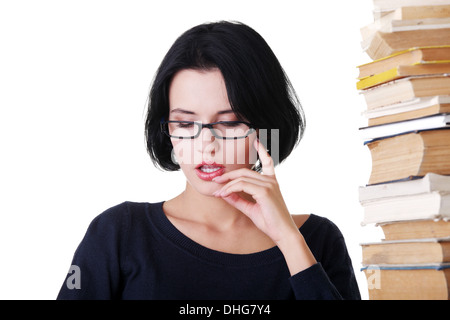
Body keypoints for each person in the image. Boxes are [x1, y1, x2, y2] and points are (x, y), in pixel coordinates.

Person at [57, 20, 360, 300]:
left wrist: (289, 240)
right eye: (186, 124)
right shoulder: (119, 233)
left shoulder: (318, 241)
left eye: (229, 124)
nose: (206, 145)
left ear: (267, 128)